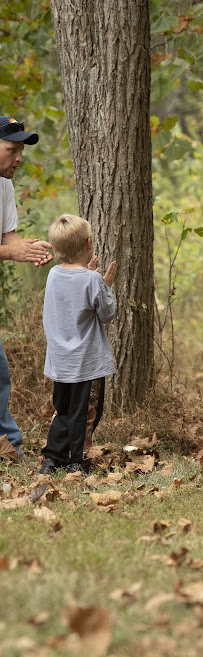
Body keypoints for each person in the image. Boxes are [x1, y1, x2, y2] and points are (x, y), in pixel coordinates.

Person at [40, 214, 117, 474]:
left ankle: (52, 458)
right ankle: (77, 461)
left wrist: (90, 277)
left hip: (60, 361)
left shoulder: (53, 274)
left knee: (63, 410)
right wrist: (104, 284)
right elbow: (107, 313)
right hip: (87, 363)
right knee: (86, 412)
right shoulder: (92, 280)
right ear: (88, 244)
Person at [0, 116, 52, 456]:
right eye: (11, 150)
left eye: (20, 151)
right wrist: (11, 252)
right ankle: (12, 446)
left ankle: (9, 447)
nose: (19, 158)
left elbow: (9, 235)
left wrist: (25, 248)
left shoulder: (4, 185)